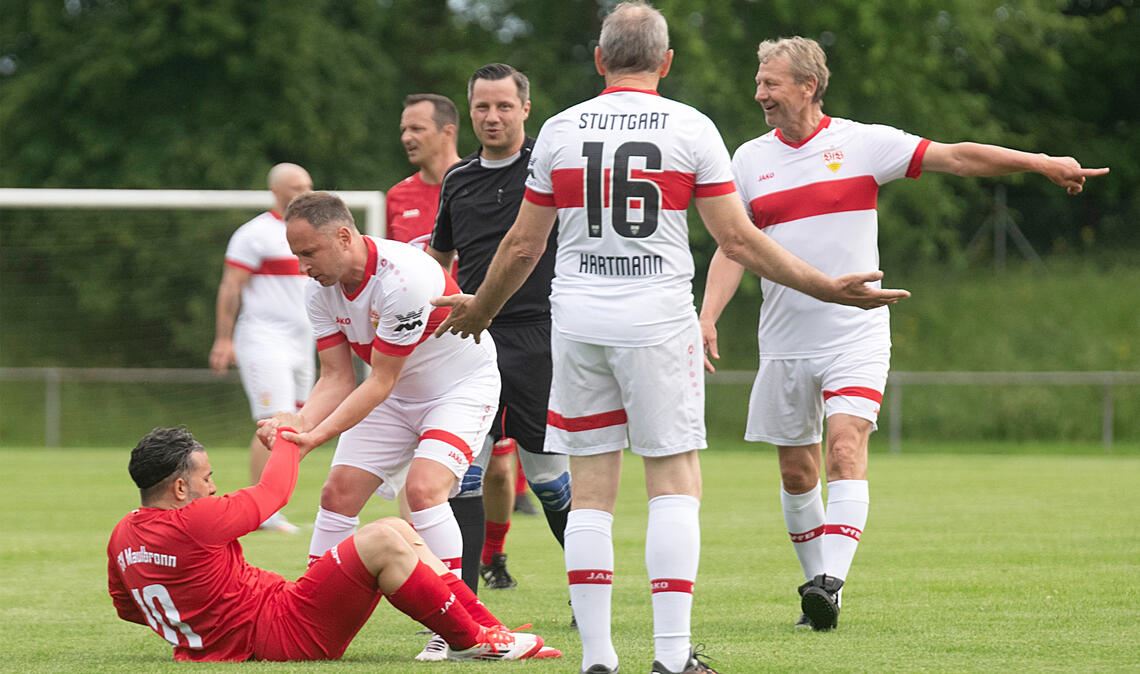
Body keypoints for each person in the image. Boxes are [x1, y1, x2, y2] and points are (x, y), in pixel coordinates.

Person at [432, 4, 909, 673]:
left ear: (599, 60)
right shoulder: (692, 128)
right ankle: (673, 657)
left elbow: (520, 246)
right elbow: (739, 240)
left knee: (593, 492)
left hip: (578, 325)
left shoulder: (562, 132)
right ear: (667, 61)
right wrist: (827, 286)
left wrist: (480, 309)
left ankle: (597, 659)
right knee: (674, 484)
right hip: (657, 324)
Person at [698, 36, 1110, 633]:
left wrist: (1040, 163)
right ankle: (819, 597)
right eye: (759, 82)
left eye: (771, 83)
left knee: (844, 447)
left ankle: (830, 581)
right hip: (785, 338)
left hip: (855, 331)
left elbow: (959, 157)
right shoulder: (747, 160)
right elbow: (733, 246)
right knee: (796, 473)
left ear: (808, 86)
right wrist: (707, 315)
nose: (758, 92)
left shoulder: (862, 143)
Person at [256, 192, 504, 618]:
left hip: (458, 389)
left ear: (344, 236)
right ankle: (315, 615)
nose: (303, 267)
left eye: (310, 253)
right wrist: (296, 422)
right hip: (396, 391)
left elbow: (381, 380)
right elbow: (336, 376)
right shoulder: (319, 292)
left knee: (424, 490)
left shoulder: (402, 278)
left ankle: (455, 624)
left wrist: (315, 435)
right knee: (337, 494)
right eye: (297, 255)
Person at [106, 425, 547, 661]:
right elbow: (273, 493)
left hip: (267, 626)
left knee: (397, 532)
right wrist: (287, 438)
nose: (214, 488)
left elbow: (129, 608)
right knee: (381, 538)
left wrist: (199, 629)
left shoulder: (122, 534)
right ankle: (475, 644)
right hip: (282, 630)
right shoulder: (193, 520)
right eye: (207, 479)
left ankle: (490, 630)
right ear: (181, 489)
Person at [428, 63, 572, 597]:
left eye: (504, 106)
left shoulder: (550, 170)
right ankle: (462, 607)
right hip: (471, 341)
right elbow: (439, 257)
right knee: (463, 473)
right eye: (483, 107)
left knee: (548, 480)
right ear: (470, 111)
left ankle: (587, 592)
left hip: (540, 338)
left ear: (525, 109)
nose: (493, 117)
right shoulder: (458, 179)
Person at [208, 162, 315, 534]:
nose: (303, 192)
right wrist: (223, 339)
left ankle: (273, 505)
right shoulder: (255, 234)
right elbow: (230, 287)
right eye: (295, 186)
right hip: (264, 339)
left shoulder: (314, 232)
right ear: (276, 191)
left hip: (306, 343)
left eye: (307, 185)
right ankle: (261, 511)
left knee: (299, 424)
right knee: (276, 422)